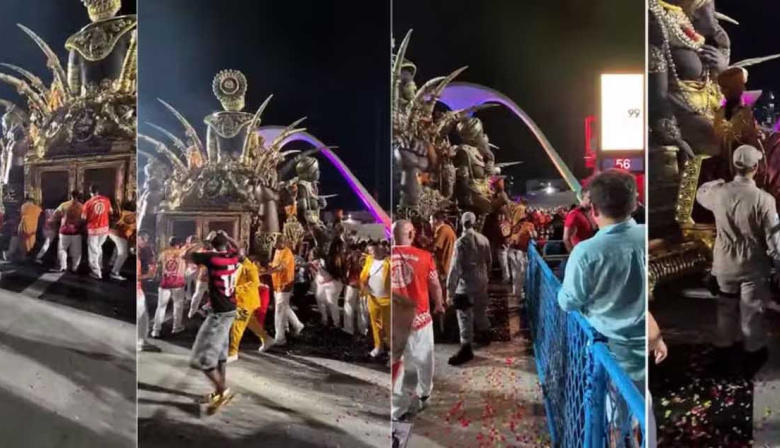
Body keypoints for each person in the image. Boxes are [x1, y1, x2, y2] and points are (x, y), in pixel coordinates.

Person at [557, 169, 646, 390]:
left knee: (616, 418)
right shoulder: (647, 236)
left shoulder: (586, 252)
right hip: (651, 349)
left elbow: (568, 302)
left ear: (594, 209)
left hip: (612, 357)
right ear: (634, 204)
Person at [696, 144, 778, 376]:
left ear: (734, 166)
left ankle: (724, 353)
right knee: (751, 312)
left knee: (725, 310)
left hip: (724, 265)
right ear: (756, 167)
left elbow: (701, 191)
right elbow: (774, 238)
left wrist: (718, 182)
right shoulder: (764, 199)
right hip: (753, 266)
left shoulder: (718, 194)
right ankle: (753, 356)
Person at [391, 220, 444, 420]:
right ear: (412, 234)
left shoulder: (386, 256)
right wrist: (439, 304)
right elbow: (435, 285)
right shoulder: (425, 256)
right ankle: (424, 393)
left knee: (397, 365)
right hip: (420, 319)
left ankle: (396, 410)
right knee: (424, 359)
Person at [183, 231, 240, 414]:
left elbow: (186, 255)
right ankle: (218, 392)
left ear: (212, 244)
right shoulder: (232, 257)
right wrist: (226, 236)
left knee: (202, 360)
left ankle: (223, 391)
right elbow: (238, 248)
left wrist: (200, 241)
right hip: (231, 310)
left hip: (219, 315)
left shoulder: (212, 258)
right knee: (221, 355)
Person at [446, 211, 493, 366]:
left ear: (462, 223)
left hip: (466, 285)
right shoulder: (484, 239)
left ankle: (466, 347)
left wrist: (450, 290)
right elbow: (489, 261)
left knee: (464, 315)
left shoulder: (461, 242)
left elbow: (455, 268)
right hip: (481, 280)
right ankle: (486, 334)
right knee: (480, 309)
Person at [227, 249, 262, 362]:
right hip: (242, 300)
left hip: (246, 302)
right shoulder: (238, 265)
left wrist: (236, 289)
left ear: (243, 255)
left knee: (237, 327)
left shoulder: (250, 267)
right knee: (252, 324)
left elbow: (254, 283)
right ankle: (267, 339)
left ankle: (233, 353)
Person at [268, 236, 304, 346]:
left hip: (285, 285)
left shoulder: (287, 253)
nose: (273, 244)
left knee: (279, 310)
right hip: (277, 284)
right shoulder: (277, 251)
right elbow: (275, 265)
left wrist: (265, 272)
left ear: (282, 243)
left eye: (276, 242)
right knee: (284, 307)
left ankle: (280, 338)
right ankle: (297, 325)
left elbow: (280, 267)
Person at [361, 240, 391, 359]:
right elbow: (364, 275)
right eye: (369, 250)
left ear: (381, 249)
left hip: (387, 299)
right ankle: (378, 346)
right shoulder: (369, 260)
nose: (371, 252)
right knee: (375, 324)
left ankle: (391, 349)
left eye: (372, 250)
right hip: (372, 297)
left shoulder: (390, 262)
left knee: (388, 326)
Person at [152, 237, 187, 338]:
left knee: (161, 307)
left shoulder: (164, 253)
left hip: (165, 282)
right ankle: (176, 327)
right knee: (178, 306)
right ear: (179, 244)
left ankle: (156, 330)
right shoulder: (182, 253)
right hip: (178, 283)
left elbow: (158, 264)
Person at [82, 184, 112, 279]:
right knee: (99, 247)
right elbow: (111, 212)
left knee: (93, 250)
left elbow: (83, 218)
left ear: (91, 192)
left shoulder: (88, 203)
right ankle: (100, 265)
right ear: (98, 191)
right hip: (104, 228)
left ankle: (96, 272)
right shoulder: (106, 200)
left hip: (93, 229)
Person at [53, 190, 83, 272]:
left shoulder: (64, 205)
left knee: (62, 249)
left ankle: (63, 266)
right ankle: (75, 267)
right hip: (76, 231)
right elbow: (84, 218)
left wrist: (61, 219)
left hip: (64, 230)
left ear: (70, 196)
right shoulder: (81, 206)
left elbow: (55, 214)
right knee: (77, 252)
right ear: (78, 197)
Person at [107, 201, 135, 281]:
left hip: (112, 232)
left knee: (118, 246)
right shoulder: (132, 216)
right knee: (123, 254)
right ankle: (114, 272)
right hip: (119, 234)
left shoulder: (124, 212)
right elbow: (133, 231)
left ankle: (112, 262)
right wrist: (133, 246)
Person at [563, 186, 595, 253]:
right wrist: (573, 255)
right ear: (582, 198)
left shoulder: (593, 213)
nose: (592, 200)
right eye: (589, 197)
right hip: (581, 253)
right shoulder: (574, 214)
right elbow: (566, 239)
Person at [343, 243, 365, 335]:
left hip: (352, 284)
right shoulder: (365, 257)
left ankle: (349, 329)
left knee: (349, 306)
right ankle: (363, 329)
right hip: (362, 285)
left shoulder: (350, 257)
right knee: (362, 308)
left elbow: (346, 270)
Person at [16, 195, 42, 260]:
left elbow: (21, 214)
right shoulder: (38, 208)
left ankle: (24, 256)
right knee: (31, 241)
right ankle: (30, 255)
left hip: (23, 226)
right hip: (33, 227)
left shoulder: (24, 206)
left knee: (23, 242)